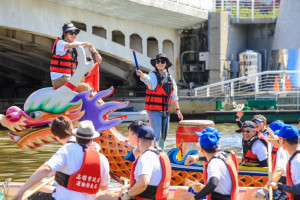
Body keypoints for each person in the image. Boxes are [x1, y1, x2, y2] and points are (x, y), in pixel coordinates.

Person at [12, 120, 110, 200]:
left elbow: (46, 169)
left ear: (76, 136)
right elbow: (104, 187)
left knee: (31, 196)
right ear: (92, 139)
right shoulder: (102, 159)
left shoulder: (67, 150)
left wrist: (21, 192)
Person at [136, 53, 183, 150]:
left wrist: (178, 110)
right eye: (158, 61)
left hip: (165, 111)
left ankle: (161, 152)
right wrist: (142, 76)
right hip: (154, 110)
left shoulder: (170, 78)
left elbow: (174, 96)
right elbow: (149, 81)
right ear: (155, 63)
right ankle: (153, 151)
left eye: (162, 61)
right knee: (156, 134)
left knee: (164, 135)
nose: (160, 63)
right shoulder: (152, 75)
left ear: (166, 64)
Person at [175, 129, 238, 200]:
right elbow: (210, 157)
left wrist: (195, 198)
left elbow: (213, 183)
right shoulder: (222, 154)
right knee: (181, 192)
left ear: (201, 149)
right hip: (226, 196)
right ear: (217, 146)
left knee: (182, 196)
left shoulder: (213, 164)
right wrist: (197, 157)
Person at [121, 126, 172, 200]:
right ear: (154, 140)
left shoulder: (145, 158)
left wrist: (127, 195)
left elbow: (143, 183)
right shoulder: (158, 155)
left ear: (137, 139)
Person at [50, 23, 102, 92]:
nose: (74, 35)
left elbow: (89, 45)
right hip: (60, 79)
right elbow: (71, 45)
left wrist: (96, 53)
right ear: (65, 34)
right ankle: (99, 103)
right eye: (71, 33)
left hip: (69, 78)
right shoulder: (60, 43)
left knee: (86, 86)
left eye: (75, 33)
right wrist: (85, 44)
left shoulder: (74, 44)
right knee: (85, 88)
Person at [268, 125, 300, 199]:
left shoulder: (297, 161)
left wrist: (279, 186)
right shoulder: (295, 157)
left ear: (283, 140)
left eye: (279, 139)